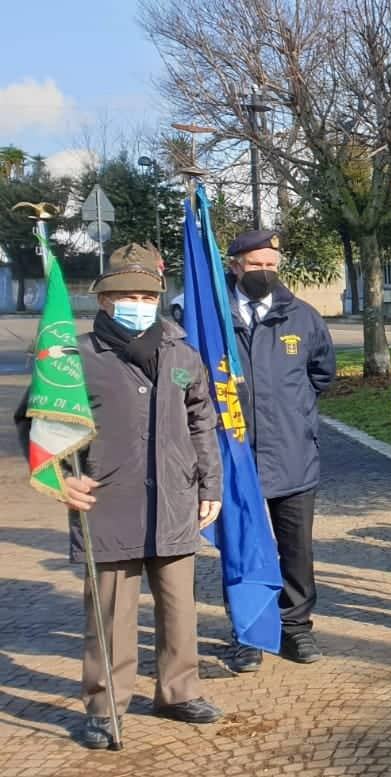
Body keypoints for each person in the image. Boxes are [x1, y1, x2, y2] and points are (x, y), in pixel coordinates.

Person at [15, 245, 225, 748]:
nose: (138, 302)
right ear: (105, 301)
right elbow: (36, 421)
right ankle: (105, 705)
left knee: (180, 608)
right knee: (111, 617)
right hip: (106, 501)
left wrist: (209, 484)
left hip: (175, 499)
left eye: (146, 295)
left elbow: (202, 421)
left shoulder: (181, 351)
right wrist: (58, 477)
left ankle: (178, 691)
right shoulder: (75, 355)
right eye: (126, 295)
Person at [222, 229, 336, 673]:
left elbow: (321, 374)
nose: (265, 273)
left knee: (296, 549)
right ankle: (247, 632)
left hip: (292, 454)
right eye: (255, 266)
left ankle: (296, 628)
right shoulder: (214, 320)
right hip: (236, 459)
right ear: (234, 266)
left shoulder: (303, 317)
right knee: (244, 549)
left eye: (272, 265)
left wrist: (297, 417)